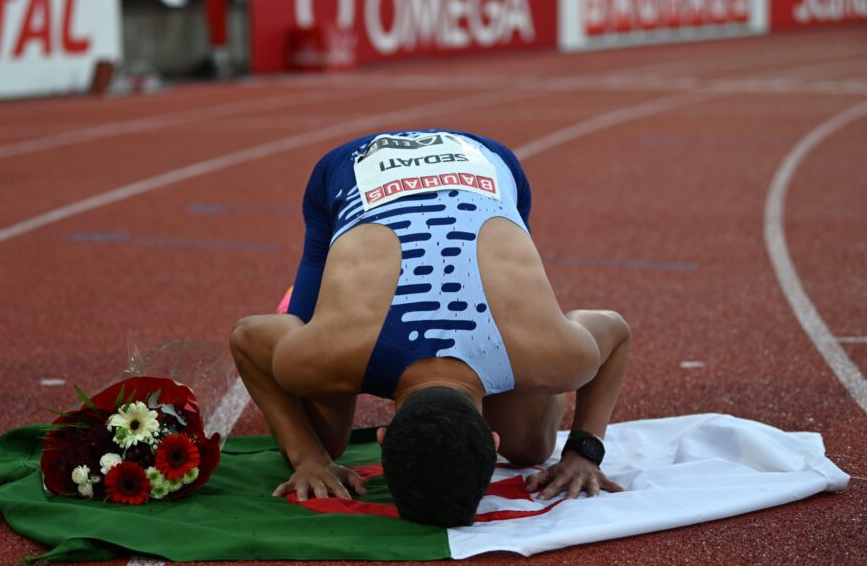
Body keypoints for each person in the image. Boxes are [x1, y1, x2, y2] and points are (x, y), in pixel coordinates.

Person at [230, 129, 630, 527]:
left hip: (480, 164)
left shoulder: (556, 353)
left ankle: (332, 309)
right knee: (325, 435)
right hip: (358, 172)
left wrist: (583, 452)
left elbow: (617, 332)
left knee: (531, 447)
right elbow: (247, 337)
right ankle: (313, 310)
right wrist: (309, 456)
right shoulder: (330, 351)